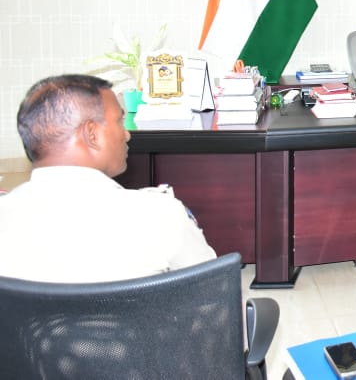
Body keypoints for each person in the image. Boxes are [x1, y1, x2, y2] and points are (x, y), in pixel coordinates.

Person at [0, 75, 216, 283]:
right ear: (92, 134)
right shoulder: (162, 215)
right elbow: (213, 290)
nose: (127, 134)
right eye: (120, 121)